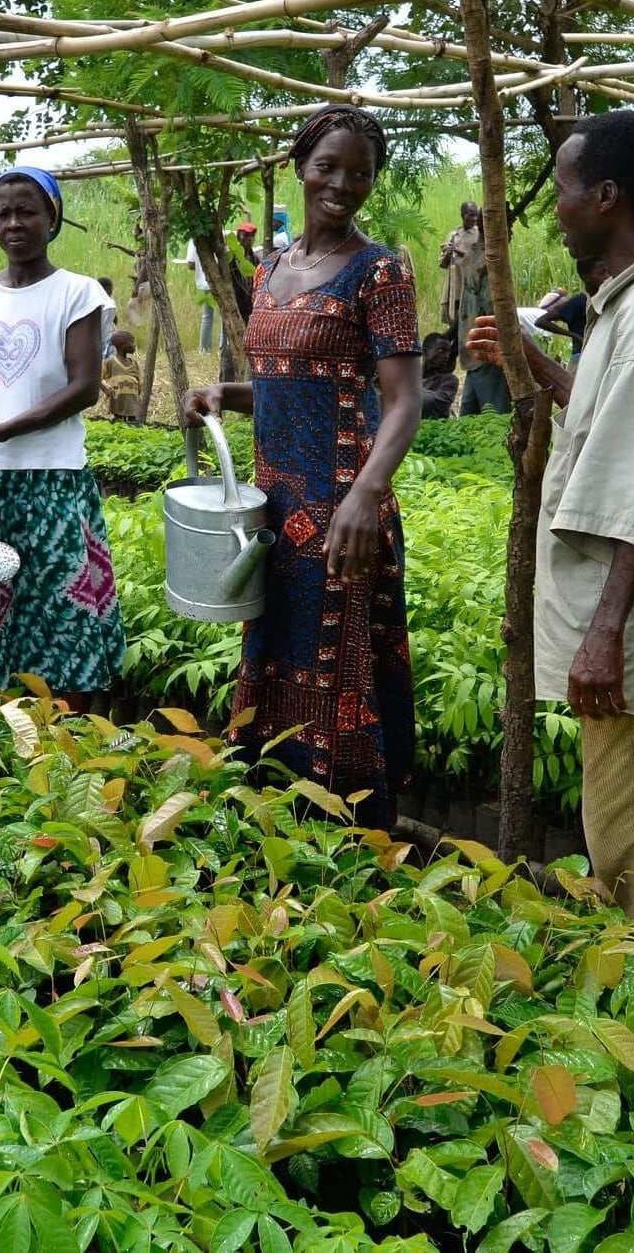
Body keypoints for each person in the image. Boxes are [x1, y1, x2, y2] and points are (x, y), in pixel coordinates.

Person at [467, 109, 634, 936]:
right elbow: (614, 415)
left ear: (608, 196)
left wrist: (604, 630)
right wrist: (538, 367)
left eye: (564, 191)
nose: (557, 208)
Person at [183, 105, 422, 829]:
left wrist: (363, 496)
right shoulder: (269, 271)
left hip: (341, 511)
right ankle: (273, 821)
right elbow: (298, 386)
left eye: (361, 173)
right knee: (273, 656)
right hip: (272, 513)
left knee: (336, 672)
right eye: (329, 167)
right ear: (300, 165)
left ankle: (350, 834)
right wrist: (226, 393)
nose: (343, 184)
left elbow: (404, 400)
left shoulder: (379, 272)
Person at [0, 167, 124, 702]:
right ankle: (1, 732)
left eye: (27, 211)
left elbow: (84, 388)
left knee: (63, 612)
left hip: (55, 481)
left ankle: (73, 734)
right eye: (3, 213)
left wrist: (3, 430)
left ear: (52, 218)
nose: (14, 223)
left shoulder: (77, 294)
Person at [456, 234, 509, 415]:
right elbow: (495, 309)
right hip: (487, 349)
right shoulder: (492, 260)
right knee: (495, 415)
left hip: (471, 347)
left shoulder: (472, 255)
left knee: (469, 415)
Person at [534, 256, 608, 368]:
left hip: (600, 356)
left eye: (608, 272)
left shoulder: (605, 300)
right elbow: (541, 321)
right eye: (601, 272)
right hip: (581, 359)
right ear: (586, 277)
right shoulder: (579, 302)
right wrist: (575, 336)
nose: (607, 277)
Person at [439, 200, 480, 329]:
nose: (473, 218)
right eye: (470, 215)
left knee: (470, 326)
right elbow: (443, 264)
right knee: (454, 325)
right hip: (454, 287)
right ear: (462, 215)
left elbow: (476, 260)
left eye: (475, 215)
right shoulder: (453, 235)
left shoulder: (479, 235)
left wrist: (457, 250)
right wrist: (448, 253)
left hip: (470, 288)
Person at [185, 237, 222, 354]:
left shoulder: (194, 238)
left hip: (204, 283)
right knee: (225, 317)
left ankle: (204, 350)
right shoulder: (218, 235)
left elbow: (190, 264)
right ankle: (223, 348)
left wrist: (202, 267)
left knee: (207, 318)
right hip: (220, 281)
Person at [102, 328, 142, 422]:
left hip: (133, 405)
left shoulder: (135, 364)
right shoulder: (110, 363)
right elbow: (97, 377)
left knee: (133, 424)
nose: (134, 345)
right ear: (122, 345)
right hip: (117, 404)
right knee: (118, 423)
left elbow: (140, 384)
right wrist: (105, 388)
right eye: (132, 342)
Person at [420, 332, 458, 418]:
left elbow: (437, 404)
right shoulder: (411, 376)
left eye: (448, 352)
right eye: (441, 350)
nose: (446, 356)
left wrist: (406, 393)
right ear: (425, 352)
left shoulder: (449, 380)